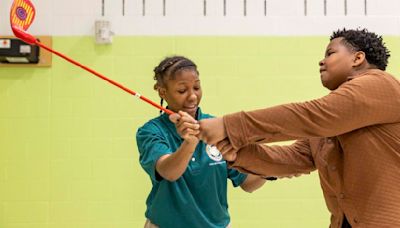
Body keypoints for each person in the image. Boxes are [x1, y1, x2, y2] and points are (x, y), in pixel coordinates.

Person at [195, 28, 400, 228]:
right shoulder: (332, 121)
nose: (321, 61)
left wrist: (228, 126)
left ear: (358, 58)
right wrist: (237, 154)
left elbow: (310, 116)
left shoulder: (380, 84)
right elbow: (293, 158)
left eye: (330, 53)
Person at [136, 55, 266, 228]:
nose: (192, 97)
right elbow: (169, 172)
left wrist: (274, 167)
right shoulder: (150, 131)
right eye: (182, 90)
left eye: (196, 87)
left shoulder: (217, 127)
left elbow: (247, 183)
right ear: (162, 91)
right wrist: (190, 142)